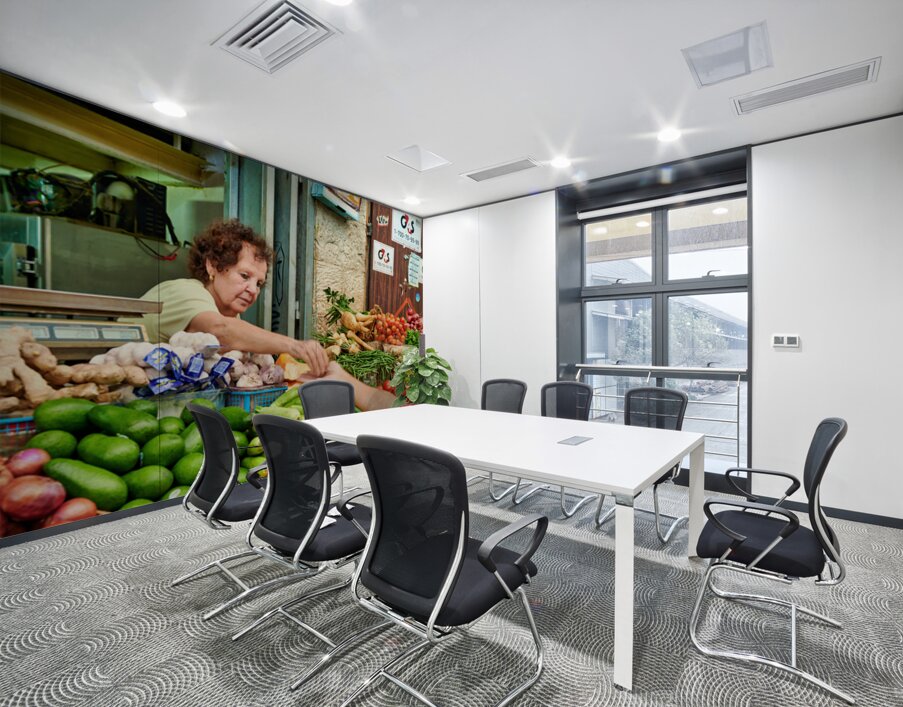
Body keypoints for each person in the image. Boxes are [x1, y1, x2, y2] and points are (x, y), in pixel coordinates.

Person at [122, 219, 328, 377]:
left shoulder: (228, 316)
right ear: (212, 265)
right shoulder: (185, 292)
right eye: (245, 276)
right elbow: (219, 331)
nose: (253, 290)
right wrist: (295, 346)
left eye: (259, 283)